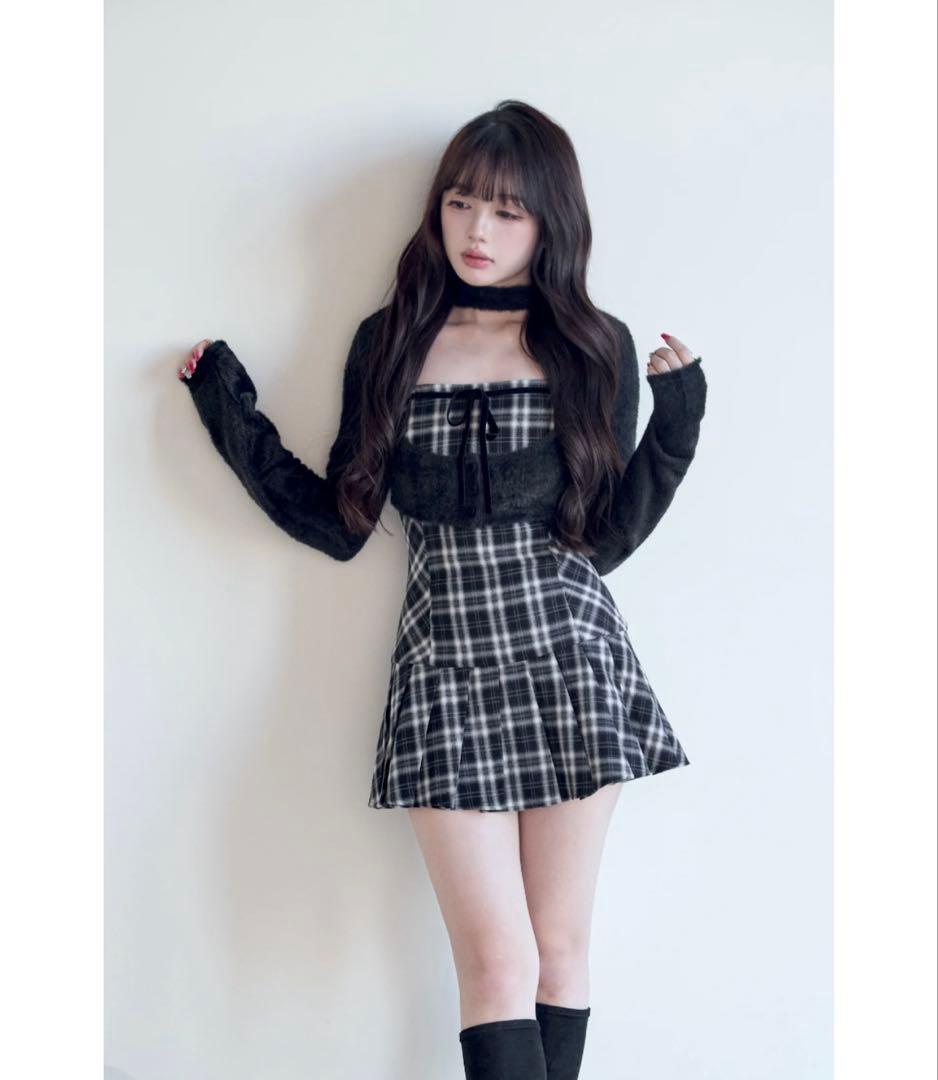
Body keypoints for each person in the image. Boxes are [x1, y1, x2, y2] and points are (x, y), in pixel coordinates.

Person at [177, 99, 707, 1080]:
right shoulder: (390, 343)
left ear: (549, 221)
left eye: (507, 211)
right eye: (461, 202)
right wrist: (227, 411)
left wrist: (677, 425)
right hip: (444, 674)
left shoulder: (592, 346)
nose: (477, 230)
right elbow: (339, 523)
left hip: (569, 659)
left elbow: (602, 540)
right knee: (497, 963)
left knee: (557, 951)